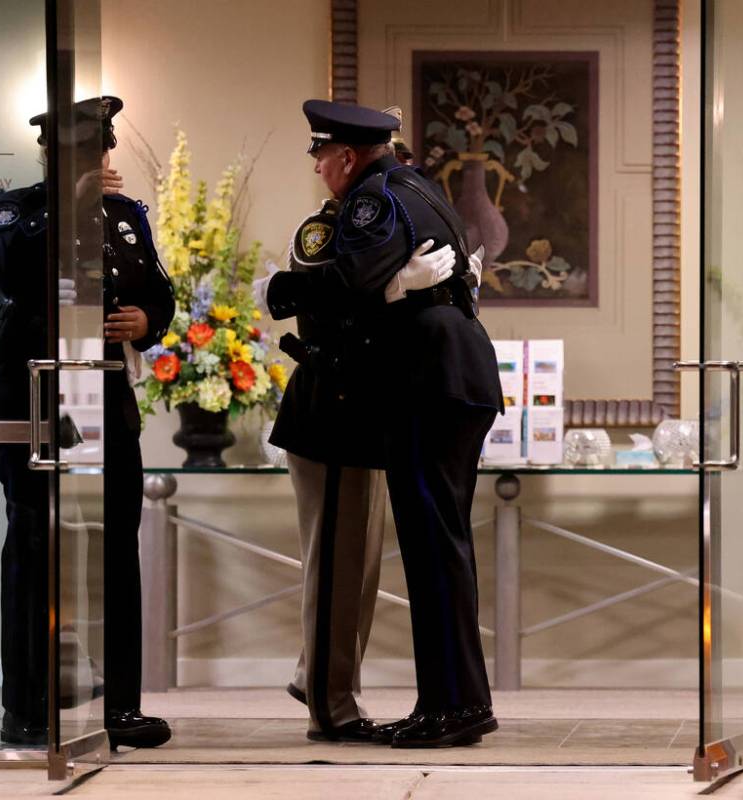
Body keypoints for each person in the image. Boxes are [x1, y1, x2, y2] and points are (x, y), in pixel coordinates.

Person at [256, 99, 503, 748]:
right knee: (442, 548)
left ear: (345, 156)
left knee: (431, 551)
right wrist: (399, 286)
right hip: (458, 376)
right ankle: (455, 702)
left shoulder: (372, 199)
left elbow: (351, 279)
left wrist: (281, 292)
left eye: (320, 158)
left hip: (426, 382)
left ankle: (450, 707)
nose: (317, 170)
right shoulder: (419, 186)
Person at [0, 95, 174, 750]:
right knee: (34, 543)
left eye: (99, 151)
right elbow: (4, 272)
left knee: (118, 543)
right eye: (81, 153)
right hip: (29, 396)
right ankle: (26, 707)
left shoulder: (124, 217)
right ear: (51, 156)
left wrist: (147, 321)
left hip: (102, 393)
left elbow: (159, 292)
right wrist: (69, 205)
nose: (96, 163)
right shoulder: (18, 210)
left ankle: (120, 706)